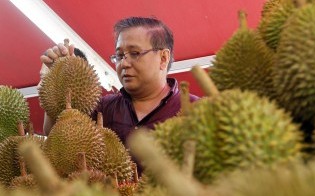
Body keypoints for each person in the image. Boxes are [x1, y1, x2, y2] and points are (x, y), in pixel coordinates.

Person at [40, 16, 199, 172]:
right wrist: (61, 76)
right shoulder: (103, 108)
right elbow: (56, 134)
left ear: (163, 58)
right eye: (119, 56)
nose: (123, 63)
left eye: (135, 53)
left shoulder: (197, 110)